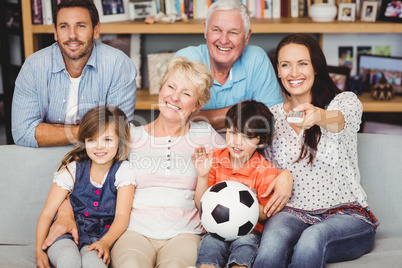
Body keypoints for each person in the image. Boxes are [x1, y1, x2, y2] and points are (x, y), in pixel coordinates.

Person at [253, 34, 379, 268]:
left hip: (347, 215)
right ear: (278, 72)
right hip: (292, 213)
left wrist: (318, 115)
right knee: (271, 245)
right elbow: (259, 168)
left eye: (302, 63)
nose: (294, 72)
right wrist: (282, 175)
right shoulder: (271, 117)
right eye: (285, 65)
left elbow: (339, 121)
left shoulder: (343, 102)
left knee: (312, 240)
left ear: (316, 68)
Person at [12, 0, 137, 147]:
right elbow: (22, 133)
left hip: (98, 158)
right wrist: (87, 131)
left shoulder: (118, 65)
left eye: (81, 26)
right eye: (64, 26)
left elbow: (117, 132)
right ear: (55, 32)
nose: (72, 35)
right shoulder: (34, 66)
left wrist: (50, 129)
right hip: (45, 155)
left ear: (96, 30)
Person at [36, 106, 135, 268]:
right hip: (66, 235)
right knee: (69, 261)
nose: (99, 146)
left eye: (107, 140)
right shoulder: (73, 169)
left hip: (99, 239)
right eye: (92, 140)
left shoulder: (123, 171)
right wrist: (39, 251)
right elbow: (47, 213)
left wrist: (105, 242)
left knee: (94, 264)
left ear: (120, 141)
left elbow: (122, 216)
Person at [192, 100, 278, 268]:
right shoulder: (214, 159)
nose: (237, 142)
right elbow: (199, 204)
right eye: (232, 133)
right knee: (210, 247)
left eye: (247, 136)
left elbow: (267, 214)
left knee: (245, 247)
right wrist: (203, 176)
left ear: (261, 141)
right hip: (215, 231)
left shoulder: (266, 170)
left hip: (249, 232)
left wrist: (247, 205)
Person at [175, 0, 283, 131]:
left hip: (245, 150)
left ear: (247, 36)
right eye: (216, 30)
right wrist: (240, 112)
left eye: (233, 32)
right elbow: (176, 119)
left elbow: (272, 119)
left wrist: (200, 118)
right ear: (205, 30)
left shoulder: (257, 59)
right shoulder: (187, 59)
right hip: (196, 149)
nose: (224, 40)